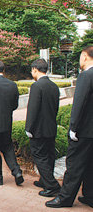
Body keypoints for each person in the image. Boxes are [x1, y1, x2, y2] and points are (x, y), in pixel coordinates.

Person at [46, 45, 93, 208]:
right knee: (90, 164)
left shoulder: (86, 75)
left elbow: (79, 104)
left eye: (81, 56)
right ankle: (90, 196)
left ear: (85, 57)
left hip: (84, 130)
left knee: (74, 165)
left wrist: (73, 127)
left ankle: (65, 198)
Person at [25, 59, 61, 197]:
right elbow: (55, 108)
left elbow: (32, 110)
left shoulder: (37, 86)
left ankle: (52, 186)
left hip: (38, 129)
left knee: (39, 156)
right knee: (49, 155)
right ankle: (44, 180)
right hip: (51, 127)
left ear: (35, 69)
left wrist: (29, 128)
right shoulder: (54, 86)